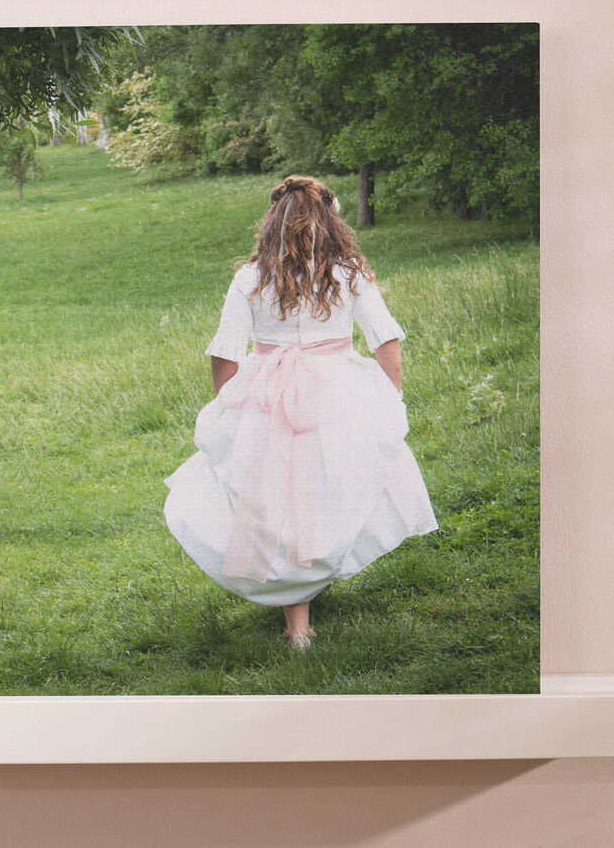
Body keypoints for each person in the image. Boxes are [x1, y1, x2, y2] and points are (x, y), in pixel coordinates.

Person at [162, 175, 438, 651]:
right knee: (329, 486)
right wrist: (389, 394)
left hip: (267, 391)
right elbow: (384, 335)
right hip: (339, 388)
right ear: (331, 221)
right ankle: (307, 596)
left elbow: (225, 352)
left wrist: (230, 402)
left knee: (279, 499)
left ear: (271, 223)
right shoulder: (347, 272)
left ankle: (299, 619)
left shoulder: (251, 278)